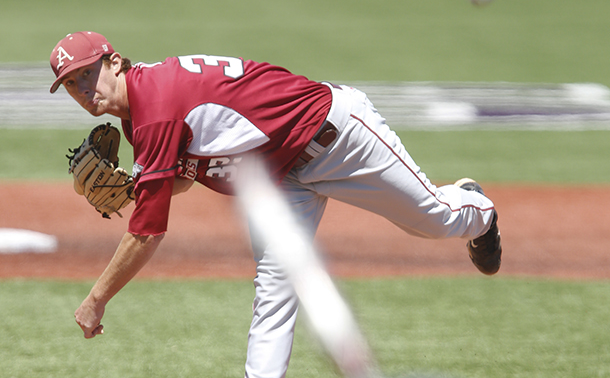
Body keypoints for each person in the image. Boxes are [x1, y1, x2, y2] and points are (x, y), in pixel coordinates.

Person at [49, 31, 501, 378]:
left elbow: (147, 233)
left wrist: (96, 300)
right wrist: (139, 188)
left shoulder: (156, 108)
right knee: (275, 285)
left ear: (113, 61)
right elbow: (184, 177)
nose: (83, 90)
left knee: (433, 220)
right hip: (281, 178)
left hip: (337, 136)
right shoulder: (143, 110)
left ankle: (476, 210)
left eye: (87, 73)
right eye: (71, 84)